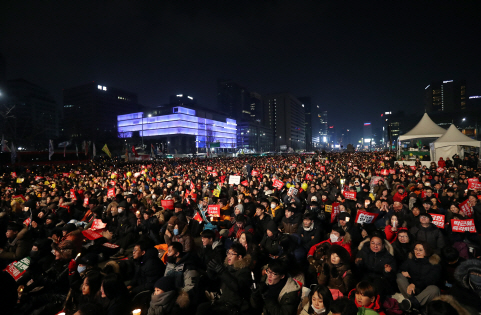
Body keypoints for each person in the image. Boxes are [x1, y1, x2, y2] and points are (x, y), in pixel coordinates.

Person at [196, 242, 252, 315]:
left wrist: (222, 271)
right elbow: (216, 282)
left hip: (235, 306)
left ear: (239, 257)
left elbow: (237, 287)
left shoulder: (244, 271)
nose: (229, 256)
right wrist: (210, 271)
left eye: (232, 254)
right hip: (222, 302)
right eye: (228, 253)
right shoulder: (227, 268)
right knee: (202, 307)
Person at [396, 241, 441, 311]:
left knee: (434, 289)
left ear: (427, 251)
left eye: (420, 250)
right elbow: (399, 269)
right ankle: (412, 303)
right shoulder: (411, 260)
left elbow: (431, 280)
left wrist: (415, 284)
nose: (417, 252)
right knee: (399, 276)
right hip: (412, 291)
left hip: (425, 291)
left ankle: (411, 303)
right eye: (415, 249)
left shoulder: (433, 263)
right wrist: (403, 272)